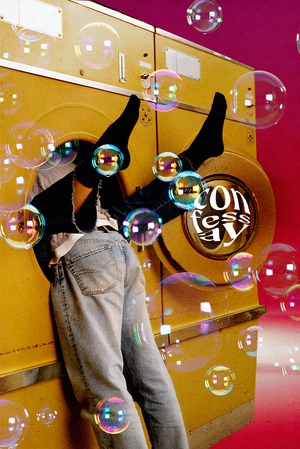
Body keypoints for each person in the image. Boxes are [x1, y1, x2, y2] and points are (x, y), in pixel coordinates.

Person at [31, 92, 227, 449]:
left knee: (107, 392)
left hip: (83, 251)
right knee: (152, 382)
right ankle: (194, 155)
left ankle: (94, 172)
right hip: (120, 250)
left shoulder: (38, 151)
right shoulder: (70, 144)